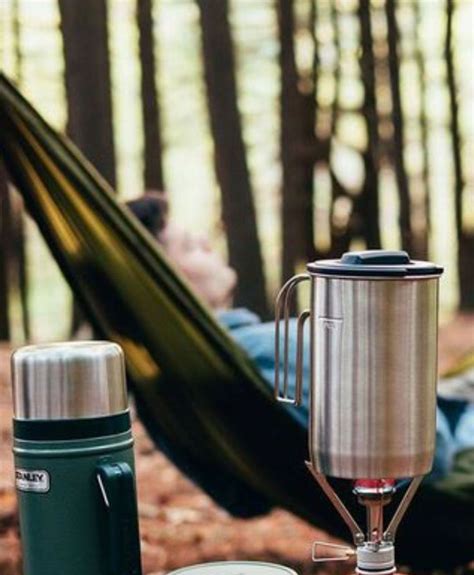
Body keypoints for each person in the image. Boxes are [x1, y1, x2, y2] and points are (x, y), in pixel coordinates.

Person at [126, 191, 474, 490]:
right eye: (190, 246)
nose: (207, 244)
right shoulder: (265, 346)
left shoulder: (183, 377)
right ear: (164, 282)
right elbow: (435, 446)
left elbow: (238, 500)